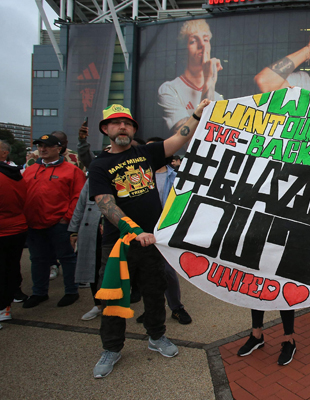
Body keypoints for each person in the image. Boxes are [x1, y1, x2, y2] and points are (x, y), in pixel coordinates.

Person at [89, 101, 209, 378]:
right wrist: (133, 230)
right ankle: (112, 348)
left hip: (152, 241)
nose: (123, 127)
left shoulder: (146, 153)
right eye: (117, 123)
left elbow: (179, 137)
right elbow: (106, 205)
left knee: (155, 292)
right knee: (114, 298)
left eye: (128, 123)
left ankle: (157, 337)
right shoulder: (100, 165)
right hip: (119, 245)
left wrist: (196, 115)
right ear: (106, 129)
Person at [22, 134, 85, 308]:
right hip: (34, 223)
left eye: (47, 146)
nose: (42, 149)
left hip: (58, 223)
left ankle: (71, 291)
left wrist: (67, 219)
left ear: (58, 149)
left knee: (67, 258)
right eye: (40, 146)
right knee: (38, 259)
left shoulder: (72, 170)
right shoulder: (30, 169)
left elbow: (78, 197)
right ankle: (39, 292)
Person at [143, 136, 192, 325]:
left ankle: (176, 307)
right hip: (142, 232)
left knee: (168, 273)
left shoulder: (179, 178)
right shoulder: (137, 178)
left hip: (166, 233)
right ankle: (151, 309)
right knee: (146, 274)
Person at [158, 19, 224, 136]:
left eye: (205, 39)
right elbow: (188, 141)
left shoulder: (218, 98)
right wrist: (208, 80)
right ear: (184, 51)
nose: (202, 45)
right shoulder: (169, 89)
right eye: (193, 41)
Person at [68, 179, 104, 321]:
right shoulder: (94, 177)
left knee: (115, 269)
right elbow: (81, 204)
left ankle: (113, 304)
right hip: (92, 229)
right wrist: (74, 230)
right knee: (93, 267)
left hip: (116, 228)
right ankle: (98, 304)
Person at [0, 144, 28, 326]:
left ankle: (4, 305)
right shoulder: (17, 174)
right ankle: (7, 304)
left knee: (4, 269)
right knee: (10, 266)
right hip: (17, 226)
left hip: (5, 228)